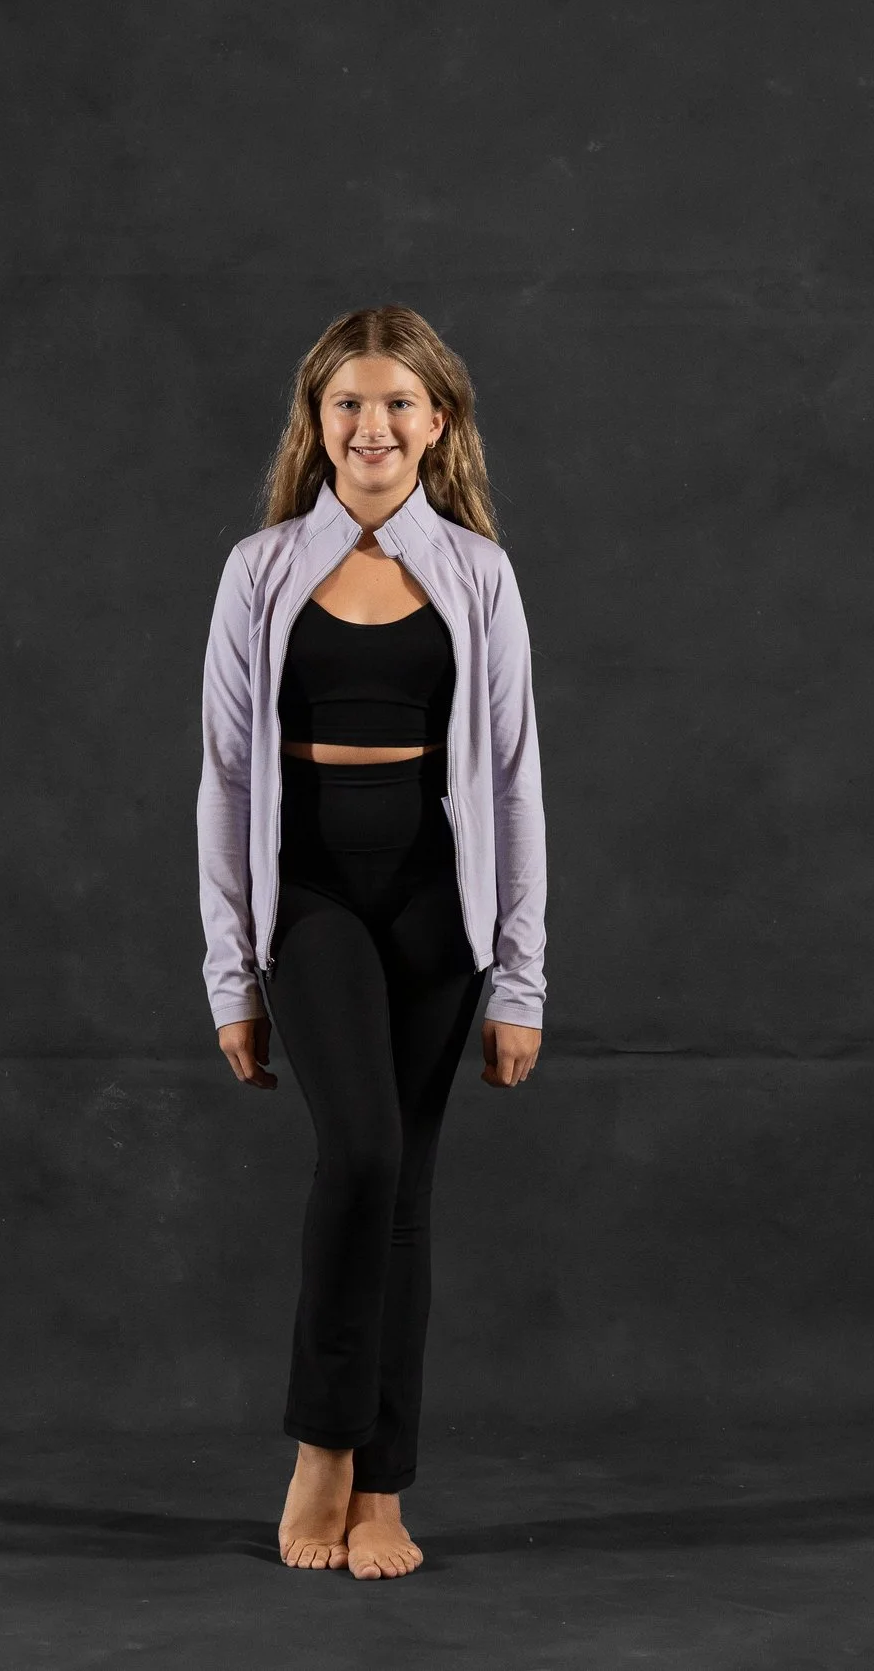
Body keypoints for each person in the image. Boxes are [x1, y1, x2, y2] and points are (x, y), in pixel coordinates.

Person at [195, 303, 548, 1580]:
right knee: (359, 1153)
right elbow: (226, 780)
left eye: (399, 403)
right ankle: (324, 1447)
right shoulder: (258, 571)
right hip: (311, 897)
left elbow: (513, 782)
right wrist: (230, 977)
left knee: (406, 1189)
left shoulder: (478, 576)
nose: (373, 425)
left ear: (437, 423)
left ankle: (385, 1487)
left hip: (435, 904)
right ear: (317, 420)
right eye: (348, 402)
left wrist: (521, 980)